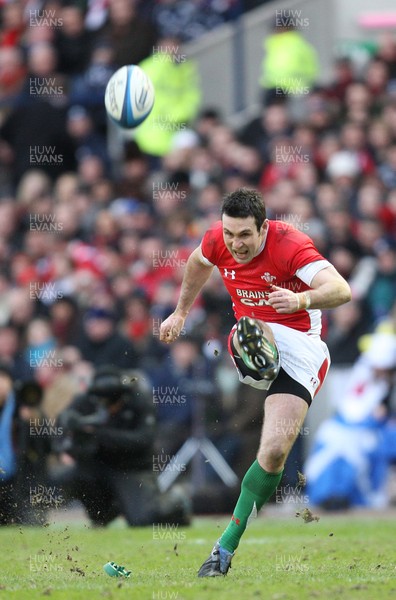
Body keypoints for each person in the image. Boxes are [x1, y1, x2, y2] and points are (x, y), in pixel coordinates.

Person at [159, 187, 351, 576]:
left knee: (275, 453)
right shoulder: (218, 238)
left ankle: (223, 548)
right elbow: (198, 263)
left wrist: (301, 301)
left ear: (263, 228)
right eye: (230, 235)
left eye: (244, 235)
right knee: (249, 330)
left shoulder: (290, 244)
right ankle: (254, 360)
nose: (236, 244)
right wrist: (180, 313)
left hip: (301, 345)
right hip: (254, 333)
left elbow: (342, 290)